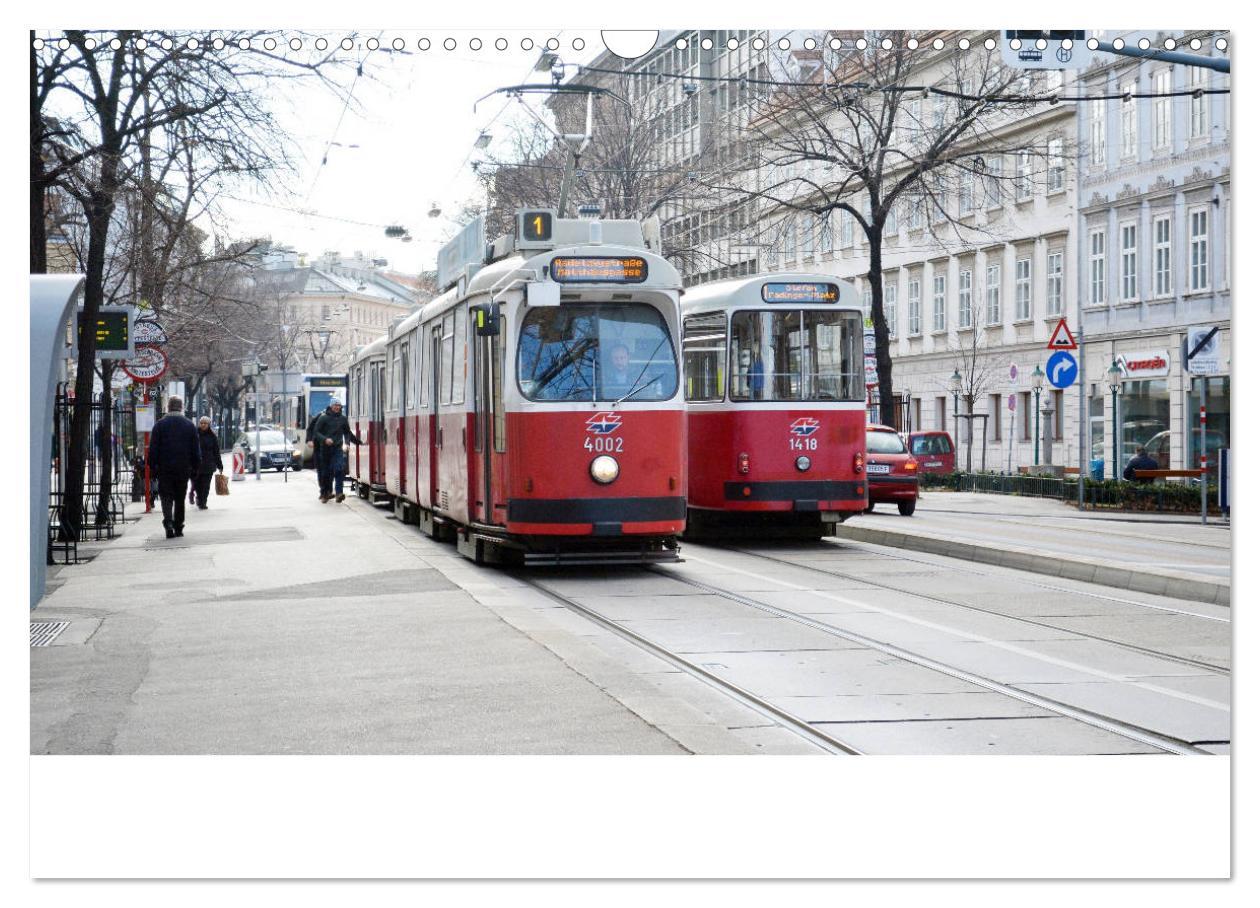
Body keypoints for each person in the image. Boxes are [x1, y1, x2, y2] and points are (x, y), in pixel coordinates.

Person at [147, 397, 200, 538]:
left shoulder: (159, 425)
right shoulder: (189, 425)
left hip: (165, 468)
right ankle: (179, 526)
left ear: (168, 407)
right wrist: (195, 467)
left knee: (166, 496)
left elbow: (153, 449)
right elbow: (195, 449)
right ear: (181, 407)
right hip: (183, 468)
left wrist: (152, 467)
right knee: (180, 498)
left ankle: (168, 523)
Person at [313, 396, 362, 503]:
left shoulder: (343, 419)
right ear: (331, 406)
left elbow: (347, 433)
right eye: (335, 405)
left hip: (337, 449)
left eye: (339, 405)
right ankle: (325, 493)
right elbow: (316, 432)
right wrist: (325, 439)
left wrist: (352, 443)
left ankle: (339, 493)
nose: (337, 407)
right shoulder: (323, 418)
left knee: (340, 469)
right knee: (326, 472)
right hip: (325, 449)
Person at [191, 417, 225, 510]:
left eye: (205, 423)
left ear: (208, 424)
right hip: (196, 465)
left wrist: (220, 465)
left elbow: (216, 452)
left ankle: (203, 502)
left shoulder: (212, 436)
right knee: (197, 485)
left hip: (209, 465)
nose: (203, 425)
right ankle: (199, 498)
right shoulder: (194, 435)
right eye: (201, 423)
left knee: (206, 486)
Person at [307, 404, 334, 500]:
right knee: (321, 470)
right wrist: (309, 440)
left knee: (330, 471)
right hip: (318, 448)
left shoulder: (337, 418)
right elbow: (310, 429)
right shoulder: (320, 416)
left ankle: (329, 491)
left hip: (330, 448)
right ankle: (323, 491)